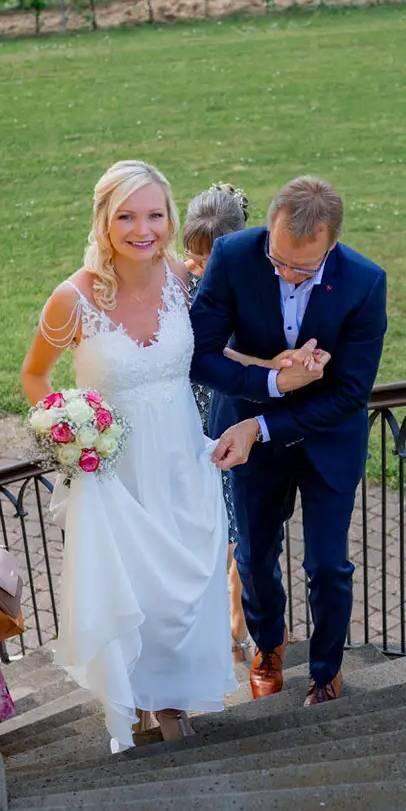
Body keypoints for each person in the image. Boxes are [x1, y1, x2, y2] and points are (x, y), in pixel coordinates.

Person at [20, 161, 325, 748]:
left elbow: (214, 356)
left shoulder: (185, 283)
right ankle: (146, 708)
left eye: (156, 215)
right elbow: (35, 376)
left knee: (183, 590)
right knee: (134, 592)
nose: (143, 229)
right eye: (127, 216)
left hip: (185, 462)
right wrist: (70, 433)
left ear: (170, 218)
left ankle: (170, 703)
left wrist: (273, 368)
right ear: (104, 221)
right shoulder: (72, 300)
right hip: (114, 473)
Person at [190, 176, 387, 705]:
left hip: (326, 440)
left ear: (331, 245)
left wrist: (266, 424)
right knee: (254, 558)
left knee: (327, 564)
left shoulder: (365, 283)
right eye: (278, 259)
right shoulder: (233, 256)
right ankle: (269, 646)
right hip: (246, 431)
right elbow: (200, 354)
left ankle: (325, 672)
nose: (284, 273)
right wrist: (273, 382)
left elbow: (349, 393)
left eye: (302, 267)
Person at [180, 183, 255, 676]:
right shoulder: (172, 283)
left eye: (210, 257)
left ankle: (238, 607)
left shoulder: (255, 283)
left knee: (241, 518)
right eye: (193, 255)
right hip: (187, 412)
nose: (200, 267)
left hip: (235, 412)